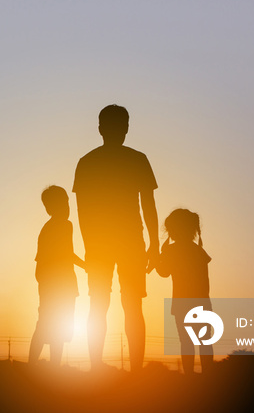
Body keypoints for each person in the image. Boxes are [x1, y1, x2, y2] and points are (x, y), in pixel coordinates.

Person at [73, 104, 159, 372]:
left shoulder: (86, 162)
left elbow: (82, 213)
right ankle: (132, 371)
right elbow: (149, 206)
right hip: (130, 242)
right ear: (126, 128)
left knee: (100, 305)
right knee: (131, 306)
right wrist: (154, 244)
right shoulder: (137, 159)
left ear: (100, 128)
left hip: (104, 245)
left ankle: (97, 367)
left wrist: (90, 249)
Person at [29, 185, 86, 366]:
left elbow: (40, 264)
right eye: (64, 203)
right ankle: (50, 368)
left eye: (67, 202)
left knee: (49, 326)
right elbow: (67, 252)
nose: (67, 207)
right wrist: (86, 265)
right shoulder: (63, 225)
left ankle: (40, 366)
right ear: (50, 208)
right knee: (55, 327)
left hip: (52, 283)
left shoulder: (47, 228)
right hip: (60, 285)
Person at [156, 208, 214, 374]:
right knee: (205, 341)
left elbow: (163, 272)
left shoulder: (173, 250)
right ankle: (208, 375)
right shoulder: (198, 250)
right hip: (203, 302)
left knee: (186, 342)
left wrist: (158, 257)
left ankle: (189, 375)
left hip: (182, 304)